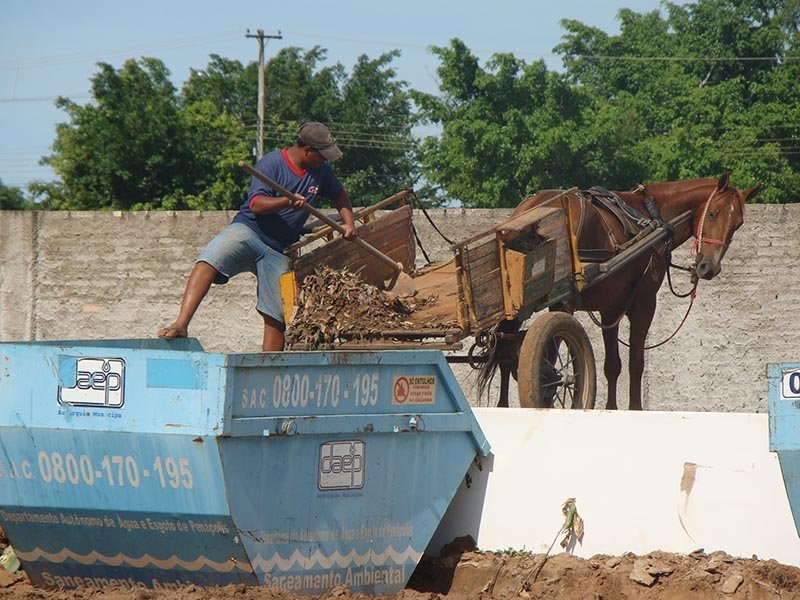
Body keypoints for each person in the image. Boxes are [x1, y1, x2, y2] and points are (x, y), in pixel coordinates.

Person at [157, 121, 357, 351]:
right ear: (307, 150)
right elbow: (256, 204)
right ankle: (182, 324)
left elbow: (340, 195)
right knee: (209, 259)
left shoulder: (321, 172)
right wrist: (286, 201)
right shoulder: (272, 163)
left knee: (276, 315)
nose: (324, 160)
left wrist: (349, 223)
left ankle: (269, 370)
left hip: (279, 249)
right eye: (321, 155)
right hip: (249, 231)